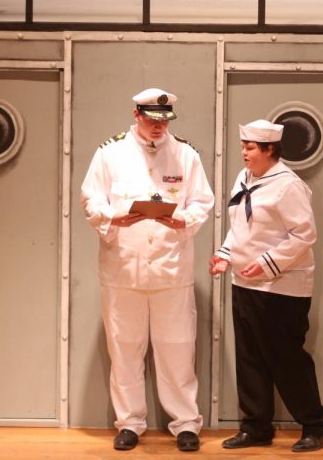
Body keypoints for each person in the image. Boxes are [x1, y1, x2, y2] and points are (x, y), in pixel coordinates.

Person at [81, 87, 213, 453]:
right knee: (124, 348)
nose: (159, 128)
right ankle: (130, 423)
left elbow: (202, 200)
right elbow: (90, 198)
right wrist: (112, 218)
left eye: (164, 121)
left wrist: (184, 219)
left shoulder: (185, 154)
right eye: (152, 120)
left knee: (178, 347)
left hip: (171, 269)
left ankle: (185, 423)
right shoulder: (110, 153)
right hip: (123, 267)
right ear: (137, 114)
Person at [209, 119, 323, 453]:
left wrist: (266, 263)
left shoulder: (288, 186)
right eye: (243, 145)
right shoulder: (244, 178)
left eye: (249, 147)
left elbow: (304, 235)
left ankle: (315, 425)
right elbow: (240, 224)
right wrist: (224, 255)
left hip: (282, 289)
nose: (243, 152)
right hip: (244, 282)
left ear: (269, 150)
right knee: (249, 357)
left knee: (286, 359)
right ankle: (256, 426)